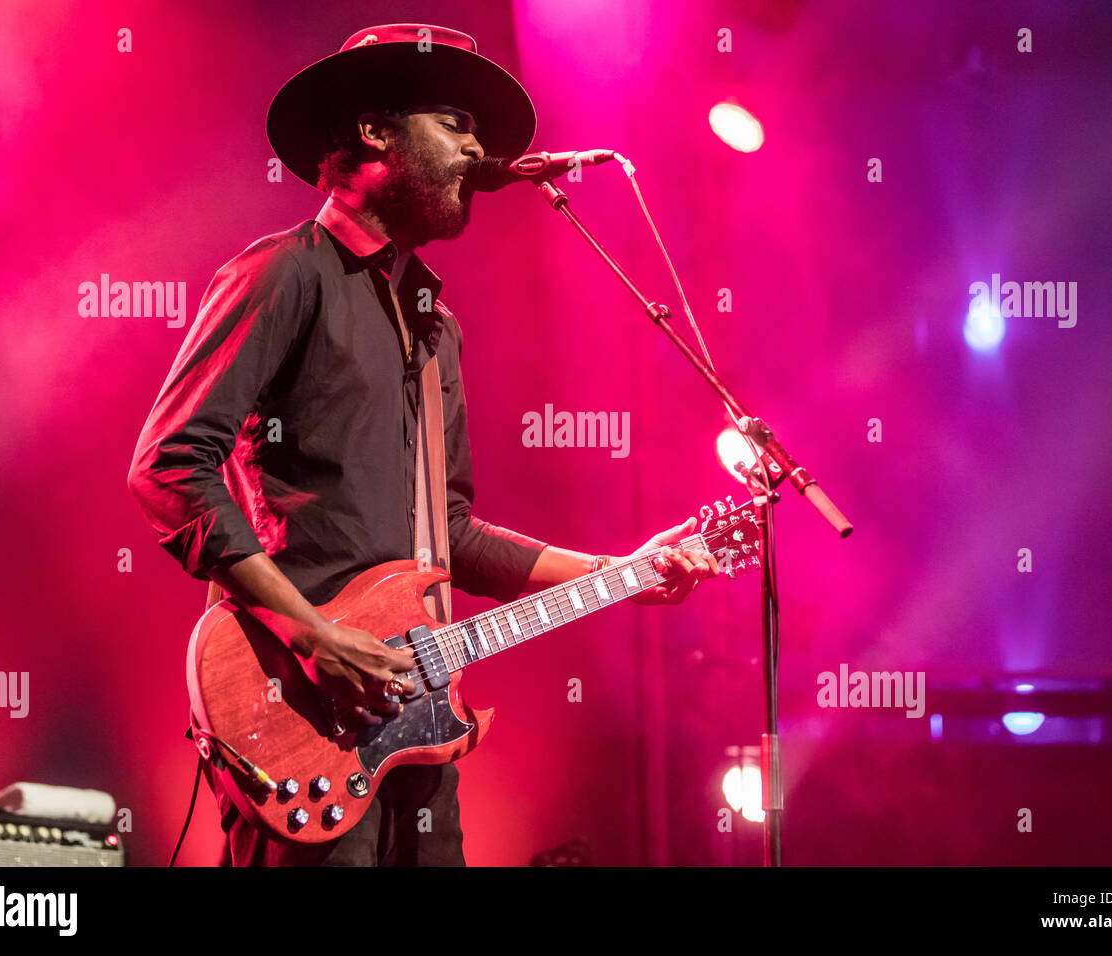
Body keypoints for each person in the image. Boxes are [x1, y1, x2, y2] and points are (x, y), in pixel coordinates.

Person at [126, 23, 720, 866]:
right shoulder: (284, 275)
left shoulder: (435, 327)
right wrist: (311, 636)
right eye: (454, 122)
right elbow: (168, 466)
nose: (478, 149)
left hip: (416, 727)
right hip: (298, 716)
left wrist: (622, 575)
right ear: (374, 130)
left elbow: (455, 533)